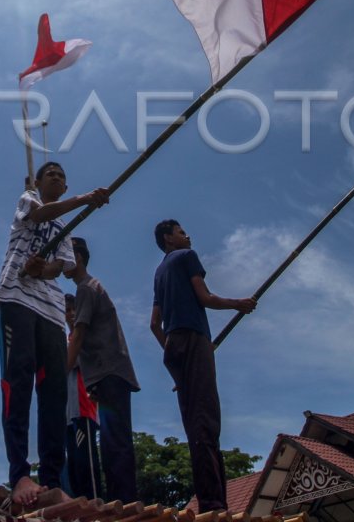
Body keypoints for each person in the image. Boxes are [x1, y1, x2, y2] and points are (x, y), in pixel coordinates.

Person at [0, 161, 109, 507]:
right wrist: (86, 199)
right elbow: (40, 217)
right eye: (50, 174)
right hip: (15, 299)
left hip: (51, 311)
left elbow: (60, 266)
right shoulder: (28, 200)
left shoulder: (65, 228)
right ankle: (20, 474)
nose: (56, 177)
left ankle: (53, 478)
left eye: (61, 175)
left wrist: (42, 270)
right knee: (18, 382)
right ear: (38, 182)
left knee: (54, 392)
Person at [150, 220, 255, 513]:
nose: (188, 235)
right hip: (193, 340)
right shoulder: (186, 257)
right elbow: (204, 298)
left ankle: (214, 500)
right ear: (169, 238)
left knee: (195, 423)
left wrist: (177, 361)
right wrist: (239, 304)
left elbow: (154, 325)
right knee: (206, 423)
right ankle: (213, 504)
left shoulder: (159, 273)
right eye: (182, 232)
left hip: (175, 346)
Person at [66, 237, 141, 503]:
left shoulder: (86, 288)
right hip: (107, 374)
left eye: (66, 255)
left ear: (78, 258)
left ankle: (124, 502)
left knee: (115, 443)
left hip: (111, 372)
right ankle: (121, 500)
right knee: (112, 441)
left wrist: (62, 370)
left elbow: (79, 333)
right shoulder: (90, 287)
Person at [62, 293, 102, 499]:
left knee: (87, 464)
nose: (68, 314)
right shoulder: (68, 341)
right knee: (75, 467)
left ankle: (96, 508)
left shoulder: (82, 337)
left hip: (83, 407)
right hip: (69, 412)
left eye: (71, 310)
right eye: (65, 310)